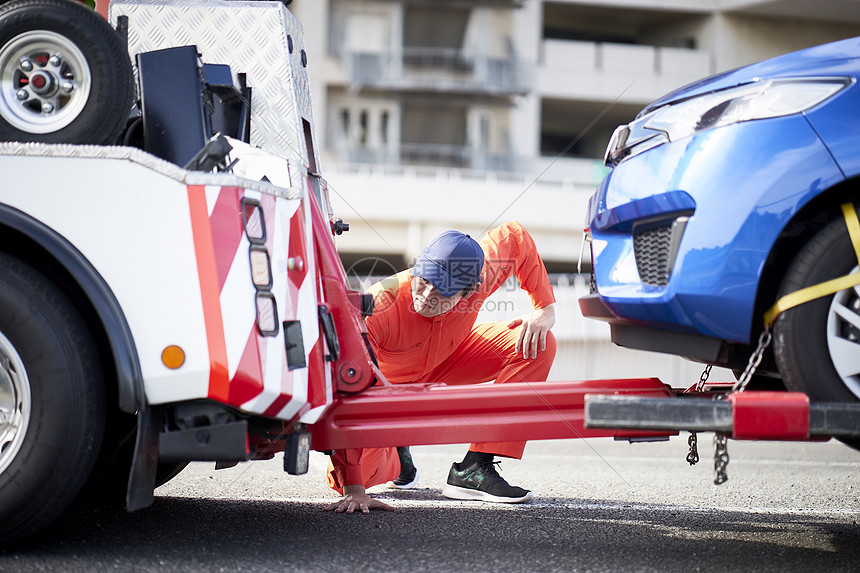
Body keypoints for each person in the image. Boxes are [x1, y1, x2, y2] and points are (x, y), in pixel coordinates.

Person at [324, 221, 557, 514]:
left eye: (442, 291)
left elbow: (516, 236)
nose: (425, 295)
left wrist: (544, 309)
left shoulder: (480, 277)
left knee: (540, 342)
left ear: (469, 292)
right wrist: (354, 489)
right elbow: (347, 389)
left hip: (452, 358)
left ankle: (474, 469)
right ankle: (396, 449)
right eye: (424, 280)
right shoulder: (379, 306)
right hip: (390, 388)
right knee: (352, 476)